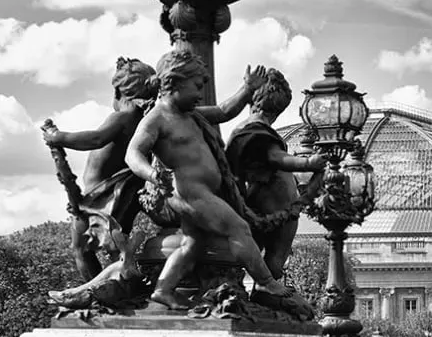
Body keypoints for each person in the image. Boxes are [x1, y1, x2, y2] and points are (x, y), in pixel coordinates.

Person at [125, 51, 295, 310]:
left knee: (191, 244)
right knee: (238, 228)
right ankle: (266, 281)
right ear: (173, 82)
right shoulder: (157, 118)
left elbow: (226, 111)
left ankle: (163, 289)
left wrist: (247, 88)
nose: (199, 94)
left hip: (202, 191)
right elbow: (133, 153)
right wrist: (151, 173)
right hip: (187, 191)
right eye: (196, 87)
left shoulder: (191, 114)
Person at [41, 57, 159, 279]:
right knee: (115, 249)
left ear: (117, 92)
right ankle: (118, 287)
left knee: (81, 249)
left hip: (101, 198)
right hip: (115, 194)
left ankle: (99, 296)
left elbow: (95, 139)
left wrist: (58, 137)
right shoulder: (143, 121)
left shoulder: (123, 117)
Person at [226, 68, 328, 278]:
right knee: (273, 259)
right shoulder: (256, 129)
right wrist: (309, 162)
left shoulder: (247, 129)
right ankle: (267, 290)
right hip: (274, 205)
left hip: (265, 202)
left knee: (262, 257)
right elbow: (276, 157)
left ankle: (265, 289)